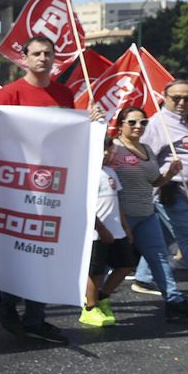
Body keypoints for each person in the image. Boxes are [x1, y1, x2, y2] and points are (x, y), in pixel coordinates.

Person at [0, 36, 78, 343]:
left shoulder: (65, 94)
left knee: (45, 248)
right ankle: (6, 303)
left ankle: (36, 318)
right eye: (36, 53)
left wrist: (90, 123)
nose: (42, 58)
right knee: (18, 244)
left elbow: (72, 137)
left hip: (53, 185)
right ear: (24, 58)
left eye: (48, 53)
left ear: (55, 58)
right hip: (17, 183)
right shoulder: (10, 93)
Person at [128, 80, 188, 305]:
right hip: (172, 191)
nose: (182, 102)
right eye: (176, 98)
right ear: (165, 97)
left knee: (164, 237)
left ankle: (144, 277)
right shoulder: (158, 124)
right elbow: (144, 157)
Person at [111, 106, 188, 321]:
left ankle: (174, 301)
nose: (138, 126)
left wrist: (170, 173)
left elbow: (155, 181)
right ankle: (92, 301)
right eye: (132, 122)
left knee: (159, 258)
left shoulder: (146, 148)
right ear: (120, 125)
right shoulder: (113, 149)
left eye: (143, 122)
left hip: (146, 214)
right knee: (110, 263)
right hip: (120, 217)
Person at [81, 135, 138, 329]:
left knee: (126, 265)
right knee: (95, 271)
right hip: (96, 233)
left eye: (108, 149)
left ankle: (102, 296)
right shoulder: (87, 174)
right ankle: (89, 308)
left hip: (116, 230)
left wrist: (125, 226)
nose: (106, 153)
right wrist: (101, 228)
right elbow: (86, 206)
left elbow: (116, 201)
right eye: (101, 149)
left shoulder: (110, 172)